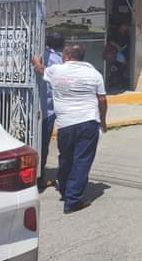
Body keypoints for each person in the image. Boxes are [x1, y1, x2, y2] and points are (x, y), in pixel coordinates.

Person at [32, 43, 107, 214]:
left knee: (65, 158)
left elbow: (40, 69)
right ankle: (73, 200)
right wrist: (103, 121)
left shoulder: (56, 70)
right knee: (81, 160)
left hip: (65, 124)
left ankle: (66, 192)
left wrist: (36, 60)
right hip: (88, 122)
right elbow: (102, 99)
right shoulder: (94, 73)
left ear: (66, 55)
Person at [34, 31, 65, 191]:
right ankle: (39, 179)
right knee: (43, 145)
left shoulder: (38, 55)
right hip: (47, 110)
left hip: (31, 107)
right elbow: (56, 80)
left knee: (30, 144)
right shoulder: (57, 60)